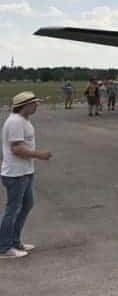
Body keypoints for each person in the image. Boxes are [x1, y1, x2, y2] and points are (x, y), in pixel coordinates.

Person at [0, 91, 52, 259]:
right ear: (25, 105)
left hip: (24, 171)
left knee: (26, 205)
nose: (37, 106)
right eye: (34, 103)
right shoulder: (15, 122)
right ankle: (4, 247)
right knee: (13, 209)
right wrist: (39, 155)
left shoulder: (23, 120)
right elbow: (16, 148)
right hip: (15, 174)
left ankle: (14, 242)